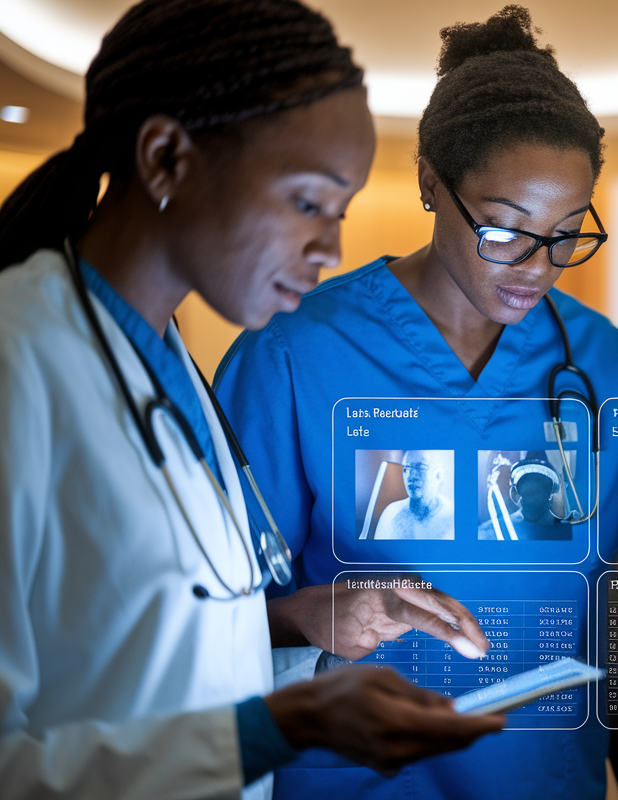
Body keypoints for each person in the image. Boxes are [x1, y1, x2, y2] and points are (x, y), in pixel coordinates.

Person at [0, 1, 504, 798]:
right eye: (308, 202)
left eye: (340, 214)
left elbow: (167, 638)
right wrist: (287, 727)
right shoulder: (18, 362)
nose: (331, 251)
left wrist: (308, 618)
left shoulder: (174, 372)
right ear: (167, 158)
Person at [215, 7, 618, 799]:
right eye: (504, 229)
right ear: (428, 181)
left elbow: (604, 601)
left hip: (549, 777)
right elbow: (208, 615)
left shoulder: (597, 358)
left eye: (565, 234)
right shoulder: (293, 354)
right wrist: (316, 610)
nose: (537, 267)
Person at [377, 450, 455, 540]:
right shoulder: (392, 514)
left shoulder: (454, 517)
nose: (411, 476)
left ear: (438, 476)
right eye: (406, 469)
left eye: (420, 467)